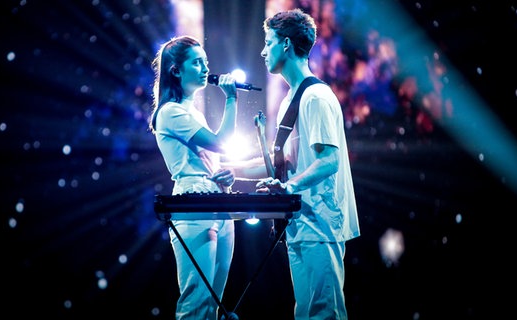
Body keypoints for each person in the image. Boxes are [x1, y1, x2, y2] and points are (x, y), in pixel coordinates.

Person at [228, 8, 361, 319]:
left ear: (286, 44)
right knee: (306, 313)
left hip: (321, 223)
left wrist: (289, 186)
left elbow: (330, 161)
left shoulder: (315, 97)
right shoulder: (292, 98)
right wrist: (230, 169)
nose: (263, 50)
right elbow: (286, 162)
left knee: (322, 313)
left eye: (268, 42)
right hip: (303, 223)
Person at [148, 35, 239, 320]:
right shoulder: (171, 112)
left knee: (214, 303)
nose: (205, 68)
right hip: (193, 205)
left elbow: (212, 157)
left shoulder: (193, 111)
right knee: (197, 302)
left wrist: (226, 175)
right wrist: (233, 99)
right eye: (197, 62)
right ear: (176, 70)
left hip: (218, 203)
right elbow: (220, 141)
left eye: (205, 62)